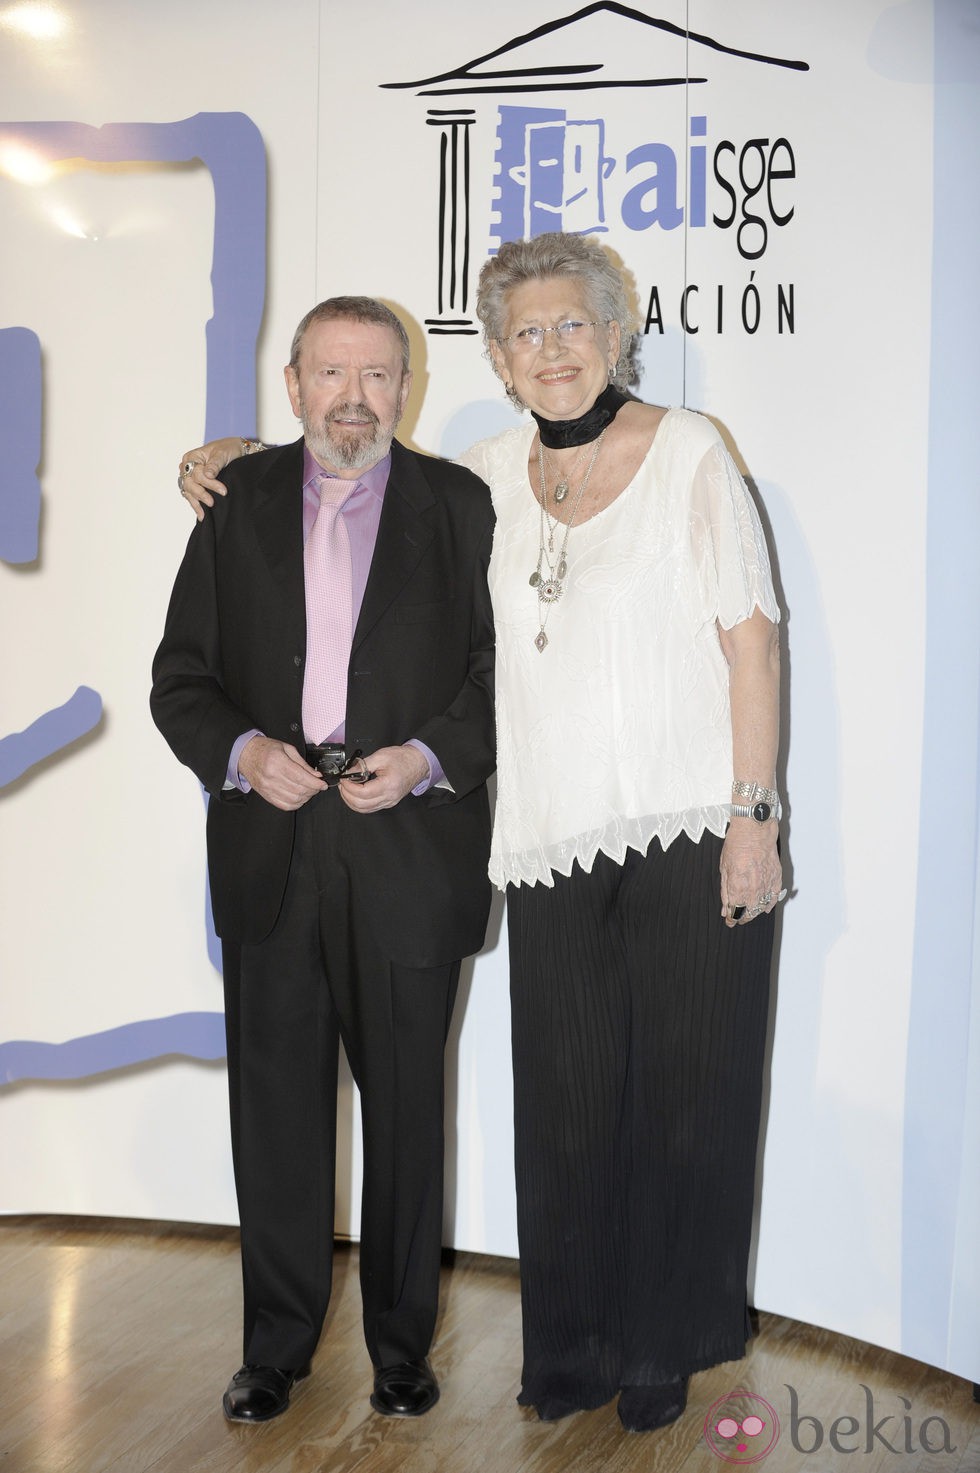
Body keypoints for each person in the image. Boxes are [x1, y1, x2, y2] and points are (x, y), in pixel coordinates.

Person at [176, 233, 784, 1435]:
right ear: (497, 363)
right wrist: (237, 459)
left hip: (669, 823)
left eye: (572, 326)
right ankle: (567, 1346)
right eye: (524, 333)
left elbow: (747, 639)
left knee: (675, 1099)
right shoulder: (490, 477)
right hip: (546, 840)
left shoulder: (674, 456)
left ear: (615, 336)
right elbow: (324, 514)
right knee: (562, 1105)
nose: (549, 349)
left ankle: (656, 1343)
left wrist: (752, 815)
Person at [152, 296, 495, 1426]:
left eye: (378, 374)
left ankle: (401, 1350)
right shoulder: (232, 501)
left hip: (408, 844)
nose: (355, 396)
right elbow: (181, 678)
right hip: (272, 847)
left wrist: (430, 759)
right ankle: (275, 1349)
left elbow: (499, 682)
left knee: (406, 1117)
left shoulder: (461, 506)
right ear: (292, 384)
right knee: (276, 1113)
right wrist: (245, 753)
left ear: (407, 387)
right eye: (332, 372)